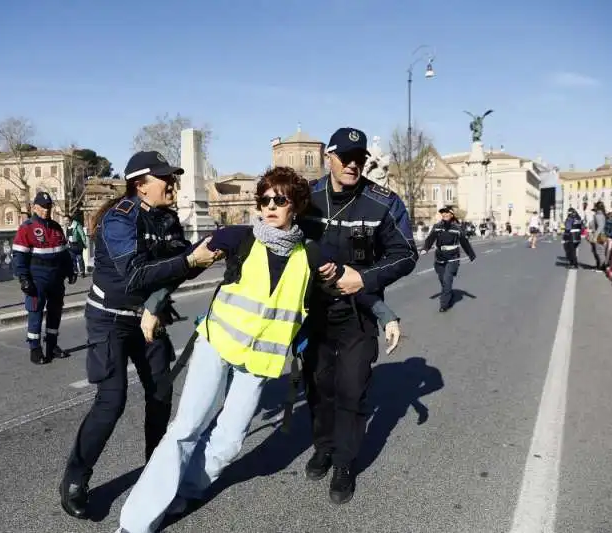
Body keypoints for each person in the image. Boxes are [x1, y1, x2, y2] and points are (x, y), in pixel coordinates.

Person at [115, 166, 403, 533]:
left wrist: (385, 314)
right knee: (186, 428)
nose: (270, 206)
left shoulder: (313, 254)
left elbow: (353, 283)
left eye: (279, 200)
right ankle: (135, 523)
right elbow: (187, 265)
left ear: (295, 206)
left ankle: (185, 491)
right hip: (217, 345)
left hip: (260, 362)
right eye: (264, 199)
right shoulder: (238, 237)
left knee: (229, 440)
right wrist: (155, 304)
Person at [59, 150, 221, 520]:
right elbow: (135, 274)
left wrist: (201, 257)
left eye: (173, 178)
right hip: (110, 320)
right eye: (165, 178)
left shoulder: (167, 218)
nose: (173, 184)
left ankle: (156, 472)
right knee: (111, 400)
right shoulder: (119, 219)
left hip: (150, 319)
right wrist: (189, 261)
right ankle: (76, 477)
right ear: (141, 185)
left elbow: (180, 268)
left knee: (161, 394)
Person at [298, 127, 418, 505]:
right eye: (345, 157)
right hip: (312, 313)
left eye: (359, 158)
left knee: (352, 389)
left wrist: (362, 279)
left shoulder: (384, 201)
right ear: (329, 158)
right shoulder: (308, 198)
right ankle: (324, 446)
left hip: (358, 312)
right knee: (319, 386)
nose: (353, 164)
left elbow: (406, 254)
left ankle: (345, 463)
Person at [12, 191, 76, 364]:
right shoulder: (27, 228)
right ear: (35, 207)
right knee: (36, 313)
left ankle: (52, 346)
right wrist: (24, 278)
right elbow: (19, 256)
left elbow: (64, 254)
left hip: (56, 278)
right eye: (42, 207)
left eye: (48, 206)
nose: (46, 210)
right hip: (37, 278)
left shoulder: (56, 227)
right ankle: (35, 348)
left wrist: (71, 271)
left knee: (55, 313)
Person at [421, 206, 477, 312]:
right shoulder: (437, 226)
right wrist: (425, 248)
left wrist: (471, 255)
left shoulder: (457, 228)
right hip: (439, 257)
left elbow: (464, 242)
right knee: (443, 280)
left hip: (453, 258)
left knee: (447, 280)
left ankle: (444, 304)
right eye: (443, 213)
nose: (445, 214)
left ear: (451, 215)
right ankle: (448, 293)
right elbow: (430, 238)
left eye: (447, 213)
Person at [587, 201, 608, 271]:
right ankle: (599, 266)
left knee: (599, 251)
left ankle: (602, 267)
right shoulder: (600, 214)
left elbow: (600, 226)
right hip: (600, 234)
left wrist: (595, 236)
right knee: (596, 250)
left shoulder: (598, 215)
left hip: (599, 235)